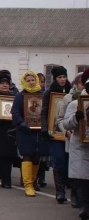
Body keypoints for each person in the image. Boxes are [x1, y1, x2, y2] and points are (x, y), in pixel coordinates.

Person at [11, 70, 50, 197]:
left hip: (39, 131)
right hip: (25, 131)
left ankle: (33, 181)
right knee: (27, 155)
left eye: (33, 80)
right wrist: (21, 123)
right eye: (28, 80)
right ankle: (27, 185)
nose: (31, 82)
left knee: (37, 156)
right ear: (24, 82)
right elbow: (15, 112)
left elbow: (48, 111)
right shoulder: (20, 96)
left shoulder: (43, 95)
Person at [40, 66, 72, 203]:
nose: (62, 80)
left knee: (68, 161)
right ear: (55, 78)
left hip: (70, 132)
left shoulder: (71, 91)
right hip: (55, 132)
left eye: (64, 77)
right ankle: (60, 191)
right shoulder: (49, 92)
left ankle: (69, 187)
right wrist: (45, 128)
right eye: (60, 77)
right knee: (58, 160)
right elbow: (45, 111)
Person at [63, 69, 89, 220]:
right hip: (81, 146)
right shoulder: (75, 104)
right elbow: (66, 124)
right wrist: (76, 118)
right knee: (82, 179)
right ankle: (84, 207)